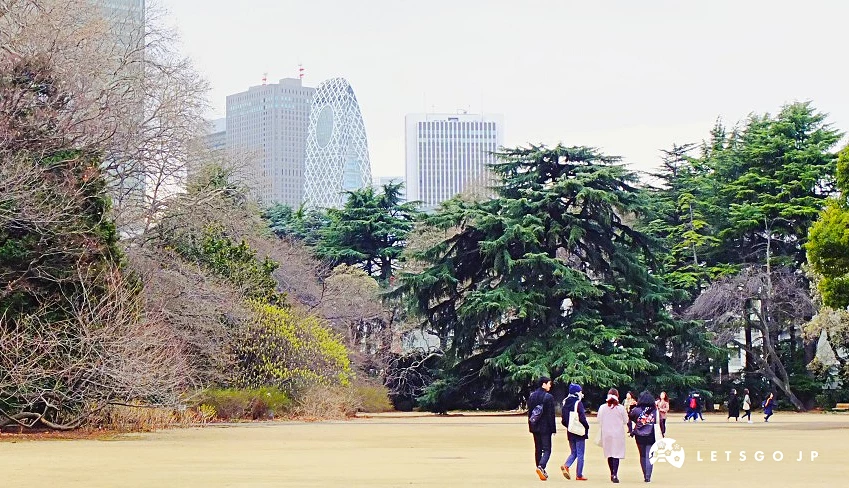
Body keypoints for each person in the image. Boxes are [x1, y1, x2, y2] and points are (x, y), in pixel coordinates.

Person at [528, 376, 557, 480]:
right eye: (549, 383)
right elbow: (550, 415)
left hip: (535, 426)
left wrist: (530, 426)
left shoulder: (532, 396)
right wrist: (553, 429)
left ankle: (539, 468)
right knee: (547, 449)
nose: (550, 386)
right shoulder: (548, 397)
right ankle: (541, 466)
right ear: (543, 384)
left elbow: (530, 413)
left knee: (538, 449)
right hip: (545, 428)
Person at [597, 388, 628, 484]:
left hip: (606, 433)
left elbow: (599, 420)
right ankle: (615, 473)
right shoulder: (620, 408)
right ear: (617, 396)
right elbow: (626, 420)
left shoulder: (602, 407)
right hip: (617, 433)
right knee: (616, 454)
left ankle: (611, 473)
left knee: (609, 454)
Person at [560, 383, 590, 481]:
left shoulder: (565, 402)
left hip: (570, 430)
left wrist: (569, 426)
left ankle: (566, 465)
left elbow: (563, 419)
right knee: (580, 453)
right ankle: (579, 474)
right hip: (579, 431)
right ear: (577, 392)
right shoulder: (578, 403)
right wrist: (586, 426)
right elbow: (582, 417)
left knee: (574, 452)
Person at [629, 391, 659, 483]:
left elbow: (630, 418)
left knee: (642, 455)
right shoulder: (654, 410)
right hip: (651, 434)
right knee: (649, 455)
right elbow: (659, 422)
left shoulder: (636, 410)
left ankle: (645, 474)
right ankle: (648, 476)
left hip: (639, 434)